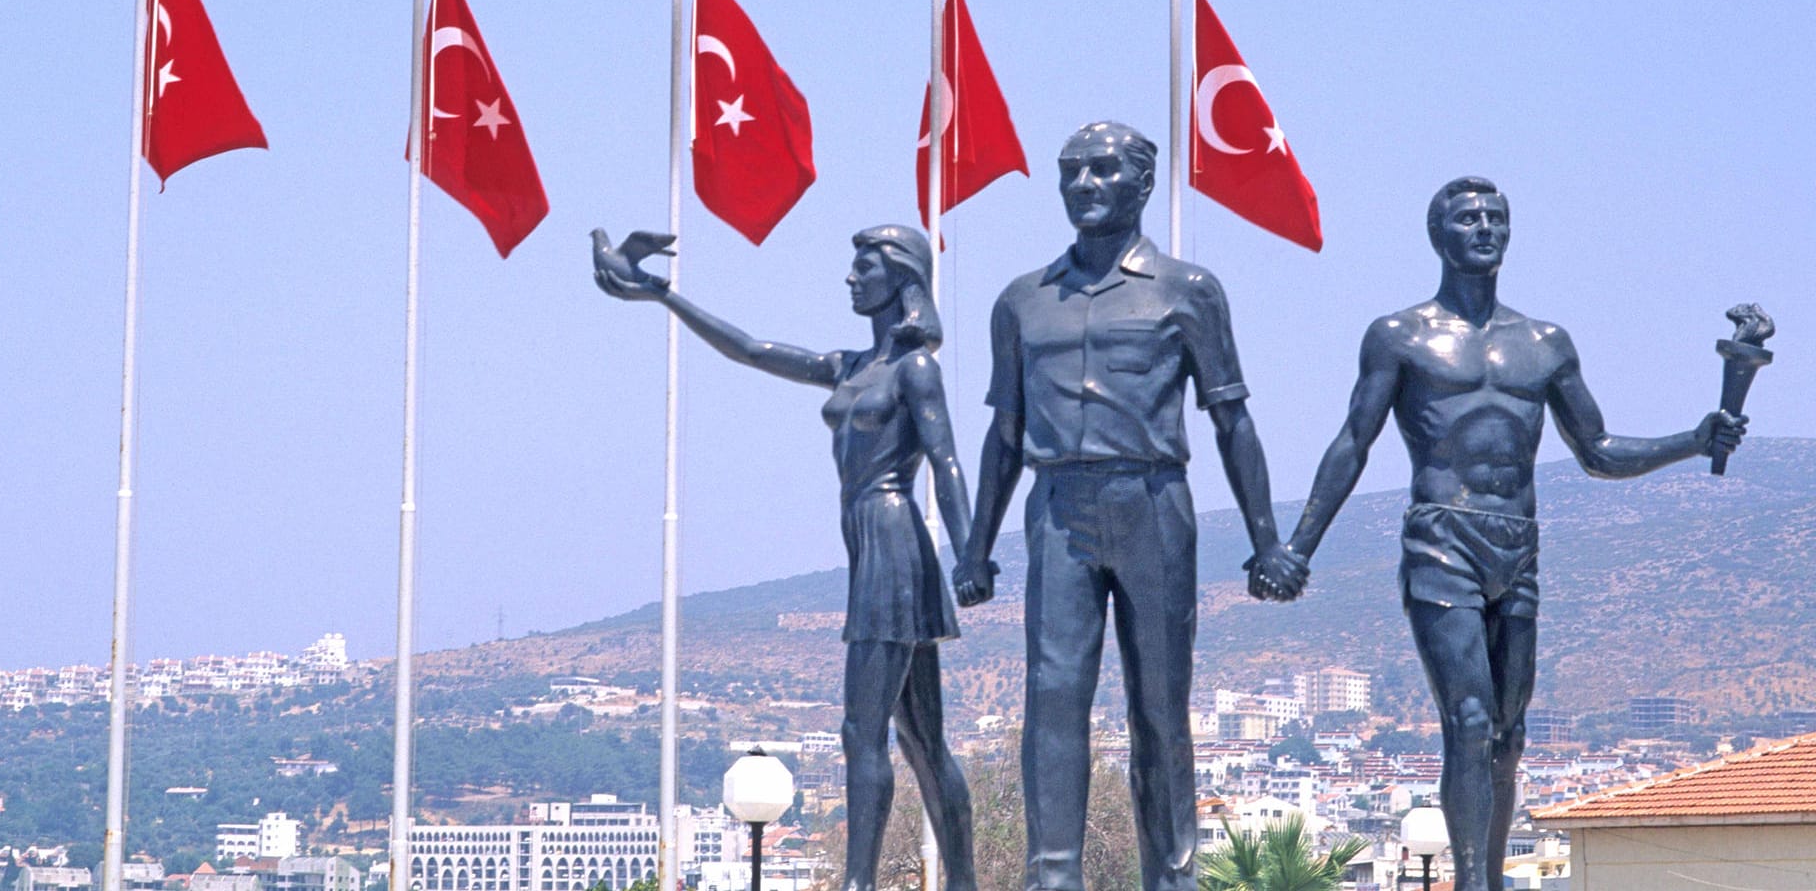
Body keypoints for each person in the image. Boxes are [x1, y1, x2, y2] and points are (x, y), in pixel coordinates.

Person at [1273, 176, 1747, 891]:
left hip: (1518, 542)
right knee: (1467, 718)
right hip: (1442, 540)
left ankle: (1488, 877)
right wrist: (1299, 547)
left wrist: (1693, 437)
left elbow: (1599, 451)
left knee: (1507, 735)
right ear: (1440, 235)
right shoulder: (1400, 336)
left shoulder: (1545, 344)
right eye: (1468, 218)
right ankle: (1469, 882)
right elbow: (1352, 444)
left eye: (1497, 217)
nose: (1485, 228)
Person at [952, 122, 1299, 891]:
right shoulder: (1020, 301)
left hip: (1153, 502)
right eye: (1071, 171)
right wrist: (976, 549)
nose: (1084, 184)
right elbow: (1002, 434)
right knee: (1052, 698)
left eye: (1103, 170)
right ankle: (1053, 877)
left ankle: (1171, 877)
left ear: (1142, 184)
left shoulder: (1188, 290)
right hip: (1056, 508)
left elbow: (1231, 419)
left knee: (1160, 704)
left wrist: (1266, 541)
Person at [593, 224, 977, 891]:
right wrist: (662, 296)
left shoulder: (916, 369)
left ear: (901, 278)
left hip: (892, 541)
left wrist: (971, 552)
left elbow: (946, 463)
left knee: (865, 730)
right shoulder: (850, 365)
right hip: (868, 545)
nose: (851, 279)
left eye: (864, 268)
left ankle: (860, 881)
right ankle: (963, 882)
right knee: (918, 737)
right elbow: (751, 350)